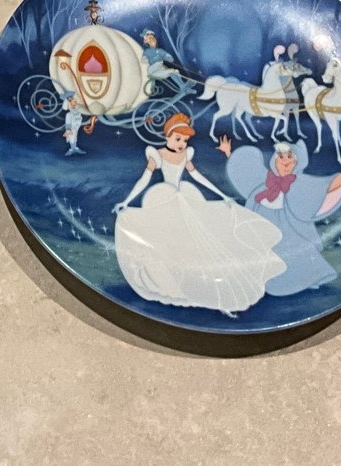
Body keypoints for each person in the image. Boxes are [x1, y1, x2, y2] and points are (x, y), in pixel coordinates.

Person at [111, 113, 283, 317]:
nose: (182, 144)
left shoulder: (186, 155)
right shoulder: (157, 155)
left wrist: (222, 195)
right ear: (167, 136)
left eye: (185, 140)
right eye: (178, 139)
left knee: (195, 240)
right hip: (164, 199)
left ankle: (196, 284)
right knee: (166, 241)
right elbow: (144, 179)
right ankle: (170, 284)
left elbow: (198, 176)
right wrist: (127, 201)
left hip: (183, 197)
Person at [220, 136, 341, 296]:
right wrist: (229, 153)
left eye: (289, 158)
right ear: (275, 160)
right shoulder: (267, 180)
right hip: (264, 228)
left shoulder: (300, 184)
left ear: (297, 163)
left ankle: (303, 280)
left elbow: (325, 187)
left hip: (288, 230)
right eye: (281, 157)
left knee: (294, 254)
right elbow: (244, 172)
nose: (285, 162)